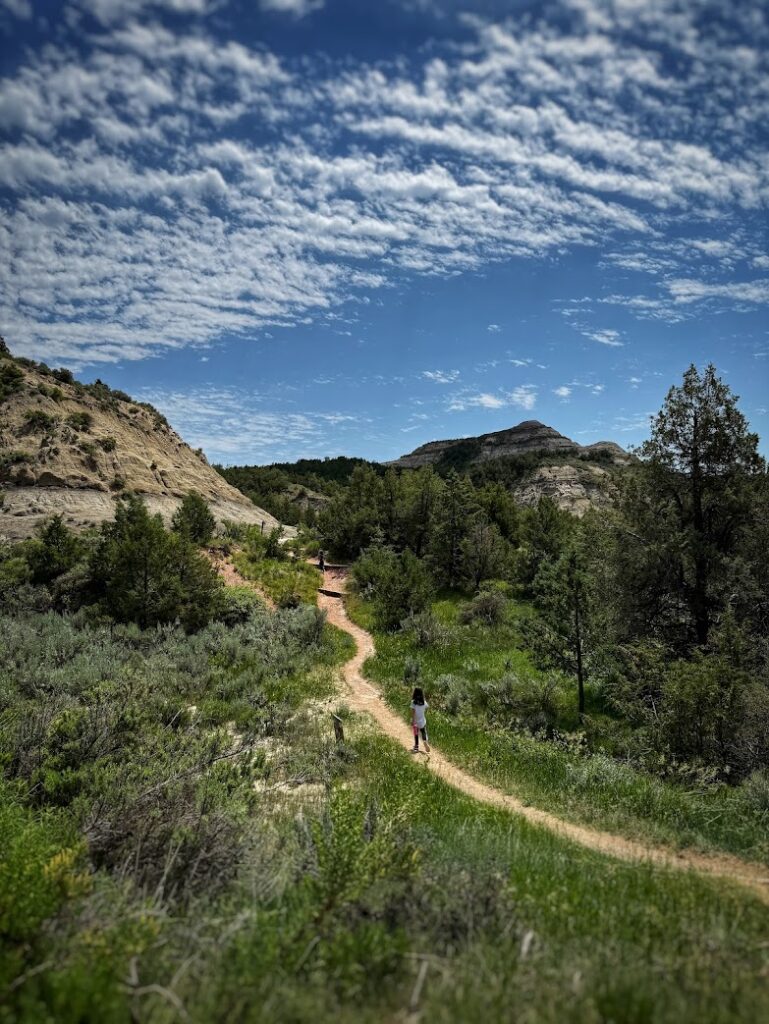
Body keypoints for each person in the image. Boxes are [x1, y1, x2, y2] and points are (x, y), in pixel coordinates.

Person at [410, 687, 430, 753]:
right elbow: (427, 707)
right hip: (422, 720)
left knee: (416, 734)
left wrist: (412, 720)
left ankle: (416, 747)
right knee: (423, 731)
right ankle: (424, 741)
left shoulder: (413, 702)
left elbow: (413, 712)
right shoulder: (424, 702)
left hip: (416, 721)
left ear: (414, 693)